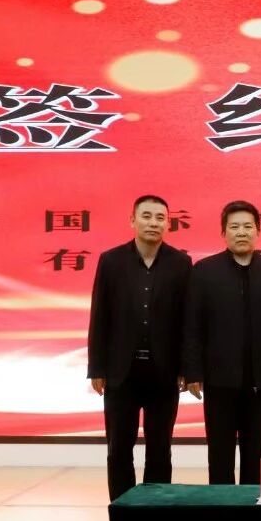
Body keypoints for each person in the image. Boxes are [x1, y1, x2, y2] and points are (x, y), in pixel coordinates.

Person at [87, 194, 191, 501]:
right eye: (146, 216)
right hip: (121, 372)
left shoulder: (181, 263)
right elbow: (100, 316)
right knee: (119, 449)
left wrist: (186, 368)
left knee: (160, 449)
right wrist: (97, 367)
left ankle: (155, 514)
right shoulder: (111, 261)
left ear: (168, 224)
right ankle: (123, 513)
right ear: (132, 220)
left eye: (160, 218)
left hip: (164, 373)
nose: (153, 223)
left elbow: (186, 321)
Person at [183, 201, 261, 485]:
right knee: (220, 453)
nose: (241, 232)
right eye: (234, 227)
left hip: (260, 379)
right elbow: (192, 325)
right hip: (218, 379)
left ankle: (251, 507)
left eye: (247, 226)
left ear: (258, 231)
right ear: (224, 233)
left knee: (255, 452)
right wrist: (193, 372)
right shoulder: (204, 271)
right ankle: (221, 509)